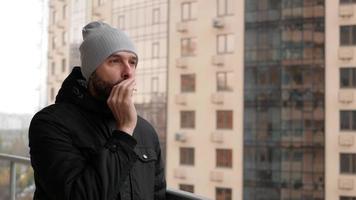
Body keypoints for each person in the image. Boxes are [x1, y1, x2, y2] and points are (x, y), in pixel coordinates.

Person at [29, 21, 166, 200]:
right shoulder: (50, 123)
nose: (128, 72)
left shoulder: (145, 130)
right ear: (91, 71)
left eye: (132, 62)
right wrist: (124, 132)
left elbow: (158, 195)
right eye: (115, 61)